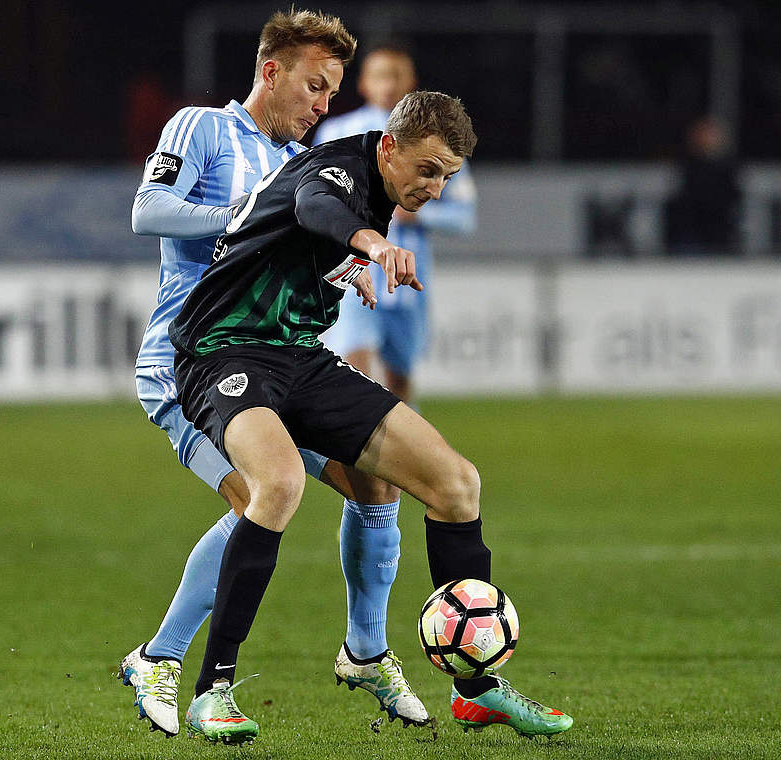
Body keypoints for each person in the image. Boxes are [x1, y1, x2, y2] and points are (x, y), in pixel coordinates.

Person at [169, 90, 572, 744]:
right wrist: (368, 245)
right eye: (429, 169)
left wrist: (345, 264)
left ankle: (475, 688)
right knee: (279, 485)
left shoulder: (383, 186)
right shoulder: (340, 169)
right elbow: (312, 204)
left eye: (448, 177)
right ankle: (212, 689)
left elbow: (288, 232)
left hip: (296, 356)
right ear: (389, 148)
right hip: (221, 352)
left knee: (456, 483)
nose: (436, 188)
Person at [117, 9, 429, 738]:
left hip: (275, 357)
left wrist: (343, 262)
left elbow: (291, 248)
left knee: (375, 482)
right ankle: (158, 658)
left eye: (331, 93)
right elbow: (148, 210)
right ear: (270, 72)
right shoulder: (202, 129)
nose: (324, 106)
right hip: (189, 360)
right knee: (262, 497)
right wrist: (251, 214)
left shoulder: (306, 157)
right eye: (315, 88)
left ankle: (367, 650)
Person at [315, 45, 476, 403]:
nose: (388, 85)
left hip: (407, 275)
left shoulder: (442, 140)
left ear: (412, 83)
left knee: (400, 377)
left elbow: (465, 217)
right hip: (354, 267)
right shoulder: (337, 132)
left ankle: (402, 453)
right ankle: (355, 449)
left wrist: (420, 214)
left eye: (396, 75)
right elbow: (318, 202)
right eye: (379, 76)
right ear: (363, 84)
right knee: (352, 366)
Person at [664, 115, 741, 255]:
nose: (706, 139)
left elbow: (731, 202)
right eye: (701, 134)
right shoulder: (684, 167)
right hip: (689, 237)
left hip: (719, 238)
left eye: (710, 135)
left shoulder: (727, 169)